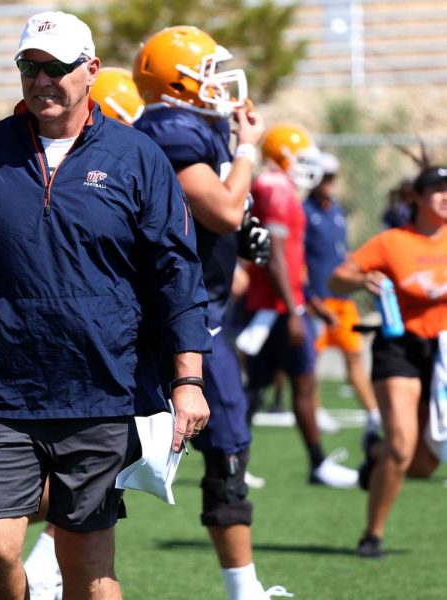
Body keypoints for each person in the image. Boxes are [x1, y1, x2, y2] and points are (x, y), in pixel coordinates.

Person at [0, 11, 212, 600]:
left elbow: (178, 275)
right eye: (29, 67)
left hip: (101, 391)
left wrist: (187, 377)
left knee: (89, 574)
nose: (42, 81)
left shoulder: (137, 158)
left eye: (57, 68)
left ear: (91, 71)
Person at [133, 25, 291, 600]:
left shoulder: (194, 129)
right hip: (172, 324)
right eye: (208, 73)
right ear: (176, 83)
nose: (222, 84)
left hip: (203, 315)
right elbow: (222, 208)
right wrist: (248, 149)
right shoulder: (168, 128)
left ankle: (244, 591)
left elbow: (218, 222)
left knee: (226, 454)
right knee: (117, 461)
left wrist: (240, 238)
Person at [329, 165, 447, 558]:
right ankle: (372, 535)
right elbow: (336, 280)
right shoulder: (392, 242)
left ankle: (373, 457)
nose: (445, 196)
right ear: (416, 197)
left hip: (443, 353)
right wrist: (360, 281)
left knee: (425, 463)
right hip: (400, 350)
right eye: (437, 189)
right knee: (401, 446)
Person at [243, 123, 359, 488]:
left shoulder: (274, 187)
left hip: (274, 303)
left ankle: (232, 461)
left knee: (256, 388)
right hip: (278, 308)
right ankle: (317, 463)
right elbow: (275, 256)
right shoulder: (276, 190)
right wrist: (296, 310)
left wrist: (311, 300)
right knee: (302, 384)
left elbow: (287, 260)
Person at [303, 153, 380, 433]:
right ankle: (316, 410)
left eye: (332, 177)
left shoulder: (336, 212)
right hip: (318, 299)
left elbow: (339, 254)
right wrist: (310, 298)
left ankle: (373, 412)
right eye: (325, 177)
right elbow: (300, 260)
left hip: (342, 299)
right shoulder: (304, 212)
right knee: (311, 362)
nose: (329, 183)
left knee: (355, 354)